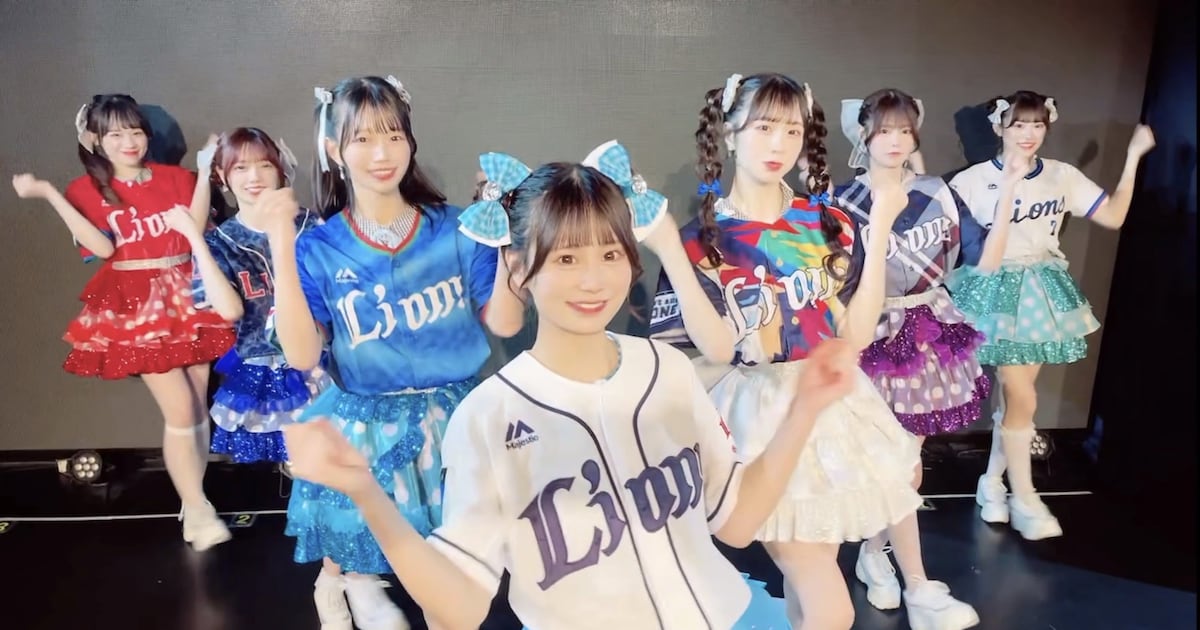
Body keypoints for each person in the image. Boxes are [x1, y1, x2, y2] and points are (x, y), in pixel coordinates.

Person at [284, 146, 860, 630]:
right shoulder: (487, 415)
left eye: (610, 253)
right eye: (565, 257)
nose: (593, 279)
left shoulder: (667, 369)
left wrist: (805, 409)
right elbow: (460, 606)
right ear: (519, 268)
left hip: (728, 616)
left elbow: (735, 520)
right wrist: (366, 492)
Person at [648, 72, 971, 629]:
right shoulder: (702, 239)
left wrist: (880, 227)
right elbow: (714, 349)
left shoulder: (827, 222)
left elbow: (857, 334)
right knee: (828, 600)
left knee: (811, 574)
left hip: (831, 407)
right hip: (755, 416)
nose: (778, 144)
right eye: (763, 127)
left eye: (792, 131)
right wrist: (672, 253)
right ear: (729, 134)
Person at [267, 75, 499, 630]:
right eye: (363, 138)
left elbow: (503, 317)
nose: (381, 153)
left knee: (454, 562)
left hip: (457, 413)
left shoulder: (454, 228)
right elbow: (302, 354)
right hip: (368, 418)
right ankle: (339, 585)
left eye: (393, 135)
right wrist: (280, 245)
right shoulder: (319, 246)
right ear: (334, 150)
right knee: (360, 535)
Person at [11, 93, 235, 551]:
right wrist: (51, 194)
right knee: (180, 410)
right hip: (137, 303)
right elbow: (104, 248)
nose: (128, 141)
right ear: (94, 140)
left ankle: (193, 501)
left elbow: (193, 230)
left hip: (189, 293)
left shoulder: (176, 178)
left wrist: (204, 170)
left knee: (197, 406)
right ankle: (197, 508)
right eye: (115, 134)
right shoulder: (84, 190)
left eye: (135, 131)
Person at [947, 90, 1156, 540]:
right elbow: (949, 241)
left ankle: (992, 483)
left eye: (1037, 125)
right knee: (1020, 395)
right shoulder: (972, 181)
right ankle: (1025, 497)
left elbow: (1114, 216)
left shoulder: (1061, 175)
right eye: (1019, 124)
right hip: (992, 289)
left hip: (1039, 290)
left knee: (1016, 400)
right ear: (1000, 127)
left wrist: (1133, 157)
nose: (1029, 134)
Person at [832, 88, 985, 625]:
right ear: (863, 136)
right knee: (892, 461)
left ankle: (876, 556)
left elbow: (975, 251)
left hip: (925, 328)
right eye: (883, 130)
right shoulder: (840, 202)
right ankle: (913, 582)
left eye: (904, 130)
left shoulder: (936, 191)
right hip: (868, 333)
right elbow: (835, 282)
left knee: (905, 462)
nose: (895, 141)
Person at [173, 127, 329, 464]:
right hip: (261, 364)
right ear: (222, 176)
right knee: (288, 465)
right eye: (241, 168)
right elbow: (229, 310)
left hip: (321, 362)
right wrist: (196, 240)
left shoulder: (312, 226)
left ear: (280, 169)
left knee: (329, 459)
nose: (254, 177)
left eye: (265, 165)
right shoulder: (221, 242)